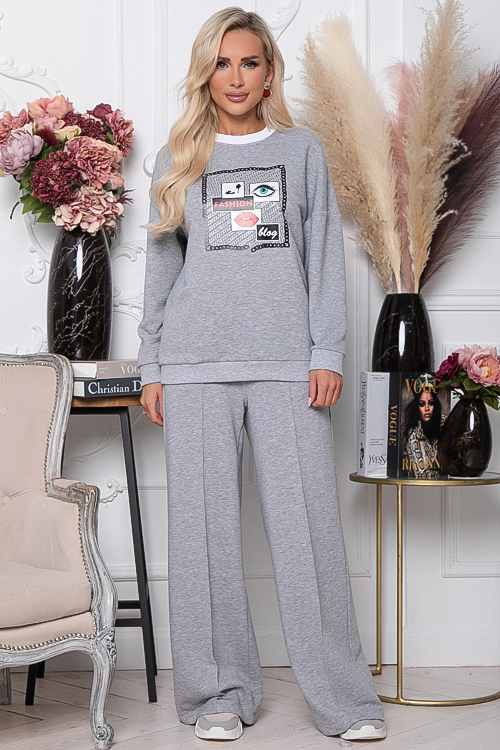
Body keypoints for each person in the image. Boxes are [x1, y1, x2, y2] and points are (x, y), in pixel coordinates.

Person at [138, 7, 385, 742]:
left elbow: (324, 259)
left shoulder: (303, 151)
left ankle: (345, 701)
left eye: (249, 62)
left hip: (286, 365)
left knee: (309, 533)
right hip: (193, 365)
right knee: (203, 538)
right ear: (205, 74)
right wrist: (152, 365)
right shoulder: (178, 156)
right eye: (222, 63)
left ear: (270, 71)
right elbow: (161, 271)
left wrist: (325, 351)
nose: (236, 77)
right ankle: (218, 694)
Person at [403, 384, 443, 478]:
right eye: (422, 404)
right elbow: (420, 473)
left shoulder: (442, 425)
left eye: (431, 403)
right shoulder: (413, 433)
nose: (427, 408)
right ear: (417, 407)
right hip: (418, 482)